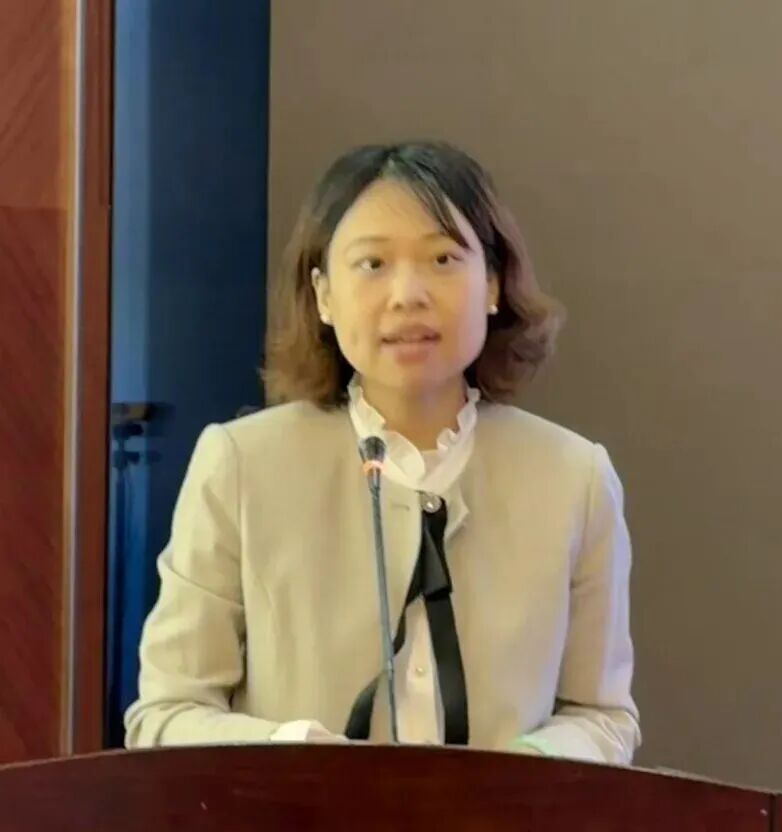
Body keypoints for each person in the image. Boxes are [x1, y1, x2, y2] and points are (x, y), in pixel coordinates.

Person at [124, 140, 640, 763]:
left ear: (493, 284)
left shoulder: (574, 477)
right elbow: (165, 716)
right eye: (372, 264)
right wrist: (296, 755)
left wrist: (524, 775)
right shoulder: (240, 465)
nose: (407, 294)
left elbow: (601, 716)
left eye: (443, 259)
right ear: (323, 295)